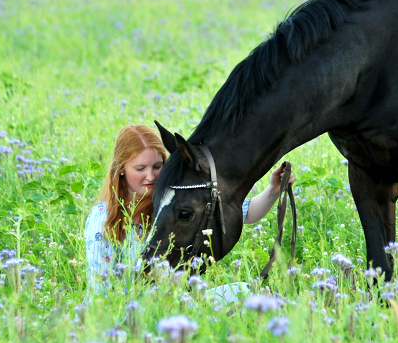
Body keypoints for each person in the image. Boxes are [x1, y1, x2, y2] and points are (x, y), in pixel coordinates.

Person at [84, 124, 293, 294]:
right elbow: (100, 292)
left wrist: (273, 189)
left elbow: (245, 211)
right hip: (127, 314)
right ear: (121, 170)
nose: (151, 176)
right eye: (140, 169)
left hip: (177, 302)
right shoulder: (103, 218)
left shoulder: (168, 200)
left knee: (244, 291)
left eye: (158, 167)